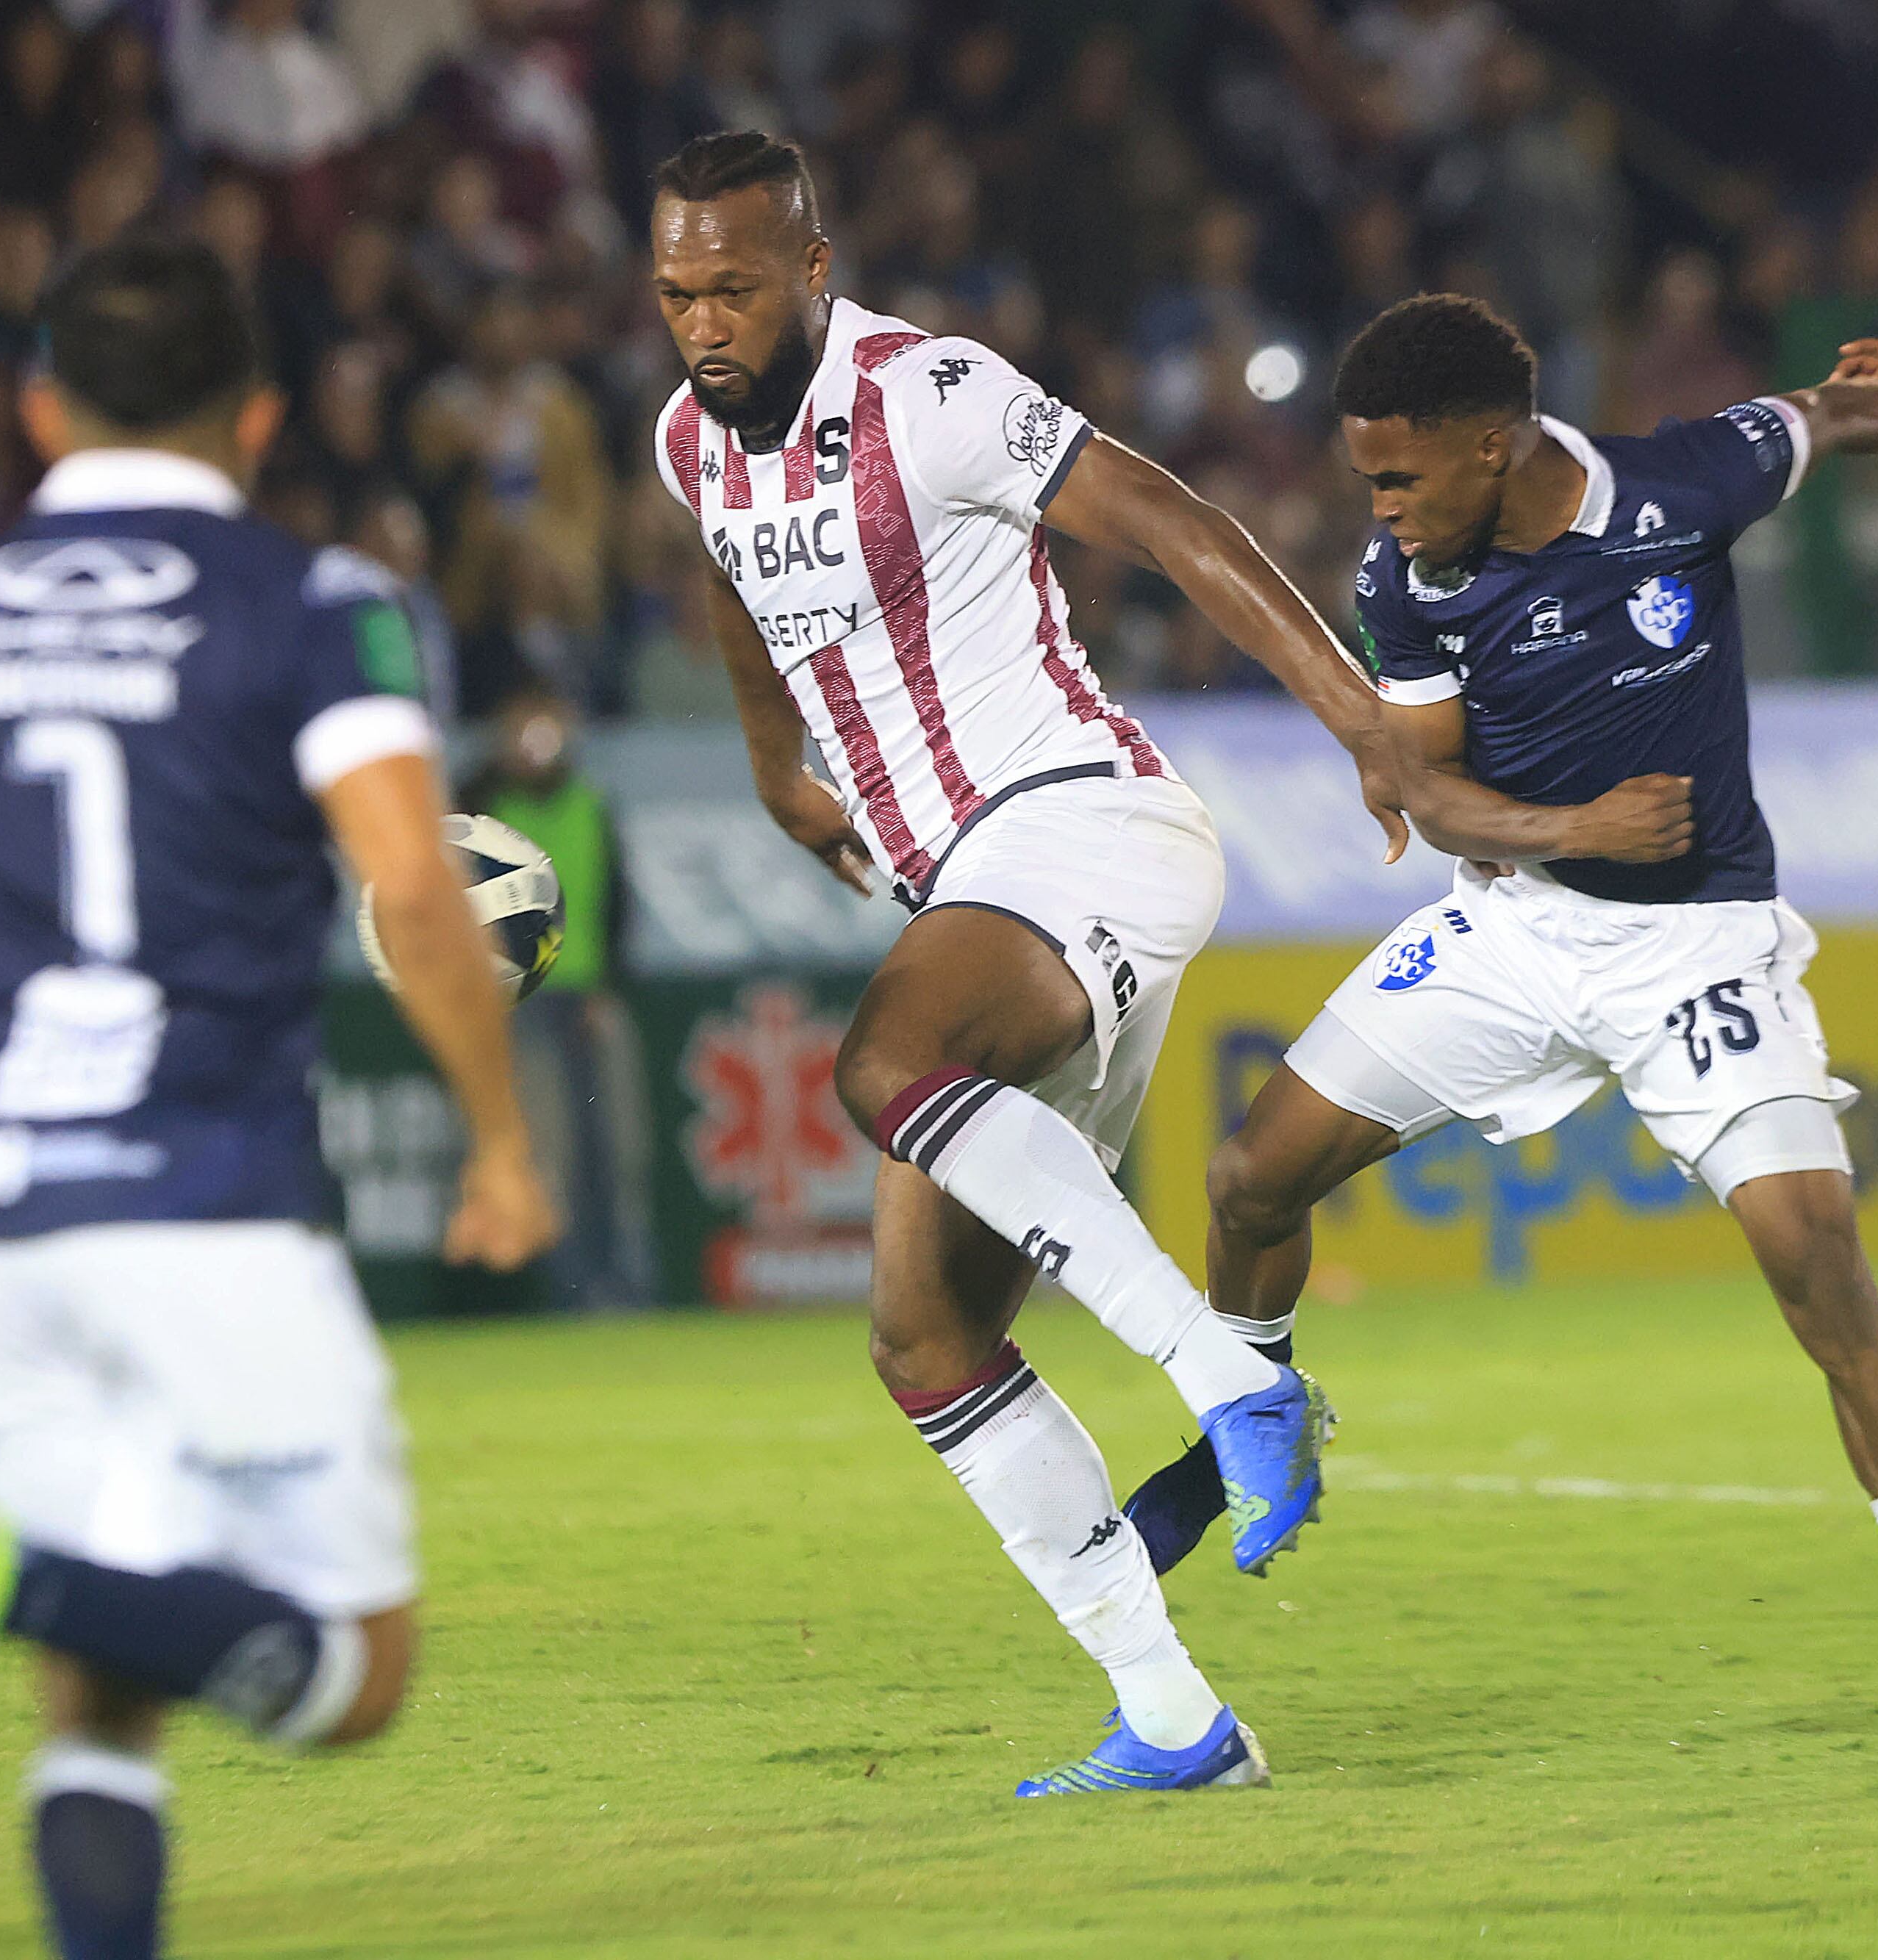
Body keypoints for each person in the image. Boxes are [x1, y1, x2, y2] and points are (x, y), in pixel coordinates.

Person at [0, 235, 556, 1960]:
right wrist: (501, 1142)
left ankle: (27, 1604)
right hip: (202, 1194)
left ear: (40, 405)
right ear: (259, 414)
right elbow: (416, 887)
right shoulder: (312, 608)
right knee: (358, 1672)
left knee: (105, 1694)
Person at [1142, 293, 1878, 1789]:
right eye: (1366, 476)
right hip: (1509, 924)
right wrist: (1573, 828)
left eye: (1398, 475)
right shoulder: (1407, 576)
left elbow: (1819, 415)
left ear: (1492, 448)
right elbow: (1424, 792)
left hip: (1697, 944)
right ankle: (1262, 1415)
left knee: (1816, 1266)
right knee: (1249, 1176)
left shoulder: (1679, 488)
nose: (1374, 508)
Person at [645, 132, 1405, 1799]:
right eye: (676, 292)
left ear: (813, 271)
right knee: (923, 1334)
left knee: (878, 1067)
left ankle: (1234, 1388)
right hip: (978, 895)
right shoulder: (688, 443)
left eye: (734, 289)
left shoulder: (930, 394)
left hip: (1086, 823)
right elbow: (732, 585)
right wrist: (778, 764)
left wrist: (1358, 714)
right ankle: (1170, 1719)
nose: (702, 323)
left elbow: (1173, 521)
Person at [462, 687, 653, 1309]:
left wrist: (610, 988)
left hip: (591, 1000)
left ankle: (630, 1284)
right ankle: (570, 1290)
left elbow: (617, 904)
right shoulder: (490, 809)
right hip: (522, 1002)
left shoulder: (592, 805)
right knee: (554, 1151)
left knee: (621, 1147)